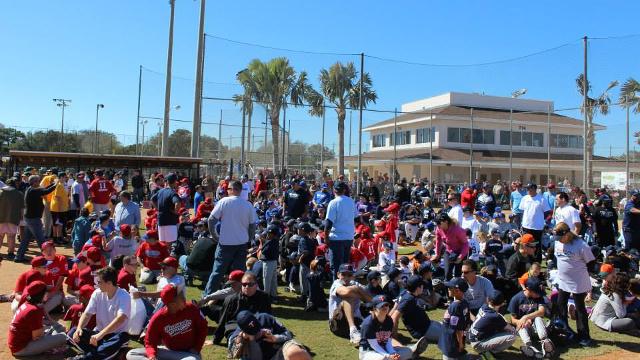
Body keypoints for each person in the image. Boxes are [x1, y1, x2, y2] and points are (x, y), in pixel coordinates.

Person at [126, 284, 208, 360]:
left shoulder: (192, 308)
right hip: (168, 351)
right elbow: (150, 341)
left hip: (188, 353)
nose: (184, 297)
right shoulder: (158, 318)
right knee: (132, 354)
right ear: (172, 303)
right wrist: (151, 356)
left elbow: (203, 328)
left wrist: (196, 348)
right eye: (181, 296)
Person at [205, 180, 258, 295]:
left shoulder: (224, 201)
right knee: (239, 272)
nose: (227, 191)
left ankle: (208, 296)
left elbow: (211, 220)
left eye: (228, 189)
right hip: (241, 243)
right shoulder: (248, 204)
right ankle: (241, 295)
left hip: (225, 243)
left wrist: (215, 236)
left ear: (233, 189)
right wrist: (248, 238)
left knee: (218, 271)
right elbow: (252, 225)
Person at [69, 266, 131, 360]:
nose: (97, 284)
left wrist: (101, 334)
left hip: (116, 335)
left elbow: (120, 319)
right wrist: (79, 328)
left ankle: (88, 357)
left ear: (109, 283)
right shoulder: (97, 293)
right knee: (73, 332)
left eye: (99, 282)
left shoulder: (124, 296)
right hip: (98, 334)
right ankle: (103, 354)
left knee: (119, 339)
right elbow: (87, 314)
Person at [553, 221, 596, 347]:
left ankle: (584, 337)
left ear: (567, 234)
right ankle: (564, 331)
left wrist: (580, 272)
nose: (559, 240)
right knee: (560, 305)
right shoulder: (558, 243)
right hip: (563, 280)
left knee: (580, 308)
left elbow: (591, 262)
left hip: (578, 281)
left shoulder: (581, 245)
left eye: (560, 237)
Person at [7, 281, 67, 357]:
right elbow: (37, 337)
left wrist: (48, 330)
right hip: (21, 348)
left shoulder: (28, 303)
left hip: (18, 343)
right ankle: (50, 349)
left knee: (58, 328)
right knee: (63, 337)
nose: (48, 294)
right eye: (46, 292)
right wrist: (48, 332)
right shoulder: (34, 310)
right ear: (40, 295)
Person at [359, 295, 427, 360]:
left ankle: (410, 353)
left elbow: (388, 341)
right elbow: (374, 345)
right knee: (383, 359)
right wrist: (388, 355)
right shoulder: (368, 324)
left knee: (408, 352)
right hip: (369, 351)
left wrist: (393, 353)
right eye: (381, 306)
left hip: (384, 348)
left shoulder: (389, 320)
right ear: (374, 308)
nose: (385, 307)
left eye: (386, 305)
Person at [213, 272, 272, 344]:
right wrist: (215, 340)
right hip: (234, 328)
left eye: (250, 284)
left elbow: (268, 318)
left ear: (256, 285)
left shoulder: (264, 297)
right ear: (241, 285)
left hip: (256, 328)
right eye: (244, 284)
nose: (247, 287)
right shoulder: (231, 299)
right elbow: (222, 321)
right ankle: (238, 344)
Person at [507, 277, 555, 358]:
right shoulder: (516, 299)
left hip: (537, 328)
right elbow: (513, 320)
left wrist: (526, 317)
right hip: (524, 329)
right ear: (528, 289)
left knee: (538, 318)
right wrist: (522, 321)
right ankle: (529, 346)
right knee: (521, 324)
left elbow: (541, 311)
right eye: (536, 292)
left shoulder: (539, 297)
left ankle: (545, 342)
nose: (539, 294)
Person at [16, 175, 57, 262]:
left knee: (26, 239)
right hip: (33, 219)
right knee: (41, 239)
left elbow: (44, 189)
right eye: (38, 181)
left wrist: (53, 184)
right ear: (34, 182)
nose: (39, 183)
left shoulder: (31, 189)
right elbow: (46, 191)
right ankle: (49, 257)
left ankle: (19, 256)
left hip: (30, 218)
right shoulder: (34, 190)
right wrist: (56, 184)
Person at [329, 264, 373, 344]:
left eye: (349, 275)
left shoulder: (354, 283)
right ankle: (352, 330)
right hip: (338, 323)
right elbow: (346, 292)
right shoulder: (336, 283)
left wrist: (360, 292)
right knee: (348, 297)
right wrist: (358, 291)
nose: (346, 277)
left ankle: (356, 331)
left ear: (353, 276)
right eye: (343, 274)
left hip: (356, 320)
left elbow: (370, 299)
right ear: (338, 275)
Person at [392, 275, 443, 344]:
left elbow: (393, 309)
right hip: (423, 331)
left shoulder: (405, 293)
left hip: (428, 324)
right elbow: (394, 318)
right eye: (422, 286)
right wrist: (395, 339)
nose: (423, 288)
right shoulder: (408, 299)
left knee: (448, 327)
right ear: (418, 288)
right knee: (449, 335)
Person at [468, 290, 517, 358]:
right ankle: (488, 352)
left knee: (502, 327)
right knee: (512, 336)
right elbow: (511, 329)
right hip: (478, 344)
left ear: (488, 299)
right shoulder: (495, 316)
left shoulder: (484, 306)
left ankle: (486, 350)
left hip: (472, 336)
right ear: (502, 303)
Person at [227, 310, 293, 360]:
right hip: (258, 357)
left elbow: (289, 334)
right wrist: (251, 340)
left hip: (276, 355)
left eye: (257, 327)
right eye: (253, 332)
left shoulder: (266, 317)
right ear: (243, 330)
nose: (258, 332)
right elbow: (231, 354)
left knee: (295, 351)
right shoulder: (238, 336)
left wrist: (275, 338)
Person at [325, 182, 358, 279]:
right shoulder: (351, 201)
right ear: (344, 190)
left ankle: (337, 291)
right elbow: (356, 219)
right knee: (344, 267)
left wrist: (326, 237)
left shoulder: (333, 202)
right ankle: (344, 289)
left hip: (336, 238)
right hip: (348, 237)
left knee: (336, 267)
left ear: (334, 190)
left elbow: (328, 223)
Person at [438, 277, 472, 360]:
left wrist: (460, 344)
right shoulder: (464, 302)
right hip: (455, 340)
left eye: (450, 288)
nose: (448, 289)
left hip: (451, 342)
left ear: (457, 290)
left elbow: (457, 329)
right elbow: (465, 322)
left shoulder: (455, 306)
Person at [430, 213, 469, 280]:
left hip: (460, 252)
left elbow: (465, 244)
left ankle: (458, 289)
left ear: (446, 222)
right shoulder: (438, 229)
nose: (437, 226)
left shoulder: (458, 230)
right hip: (449, 251)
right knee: (447, 273)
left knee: (458, 275)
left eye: (439, 223)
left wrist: (460, 257)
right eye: (437, 224)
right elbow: (438, 241)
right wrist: (437, 254)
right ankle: (448, 288)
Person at [519, 183, 551, 259]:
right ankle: (527, 261)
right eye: (527, 189)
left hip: (537, 227)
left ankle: (537, 262)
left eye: (529, 189)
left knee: (536, 245)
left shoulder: (542, 199)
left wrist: (542, 221)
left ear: (534, 189)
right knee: (526, 244)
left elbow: (547, 212)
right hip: (526, 226)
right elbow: (522, 211)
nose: (528, 190)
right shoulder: (524, 198)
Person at [151, 173, 181, 245]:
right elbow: (177, 203)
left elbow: (152, 199)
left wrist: (158, 209)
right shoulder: (172, 192)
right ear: (174, 182)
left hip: (161, 221)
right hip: (170, 222)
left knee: (162, 244)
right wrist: (175, 212)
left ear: (166, 181)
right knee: (171, 244)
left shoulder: (160, 191)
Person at [0, 177, 24, 259]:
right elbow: (22, 208)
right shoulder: (19, 194)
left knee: (0, 235)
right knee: (11, 236)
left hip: (1, 218)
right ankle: (10, 253)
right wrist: (21, 217)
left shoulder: (0, 192)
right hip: (13, 218)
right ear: (14, 185)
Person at [259, 224, 281, 299]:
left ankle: (266, 296)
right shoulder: (275, 241)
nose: (267, 234)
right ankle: (273, 295)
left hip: (268, 263)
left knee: (267, 280)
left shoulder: (270, 242)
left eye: (268, 233)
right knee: (273, 280)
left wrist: (262, 242)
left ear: (272, 233)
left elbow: (263, 251)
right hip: (274, 262)